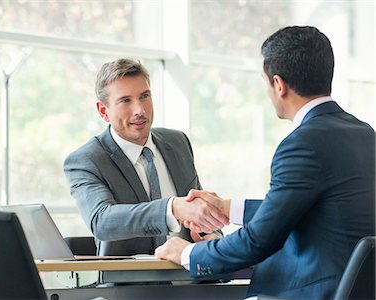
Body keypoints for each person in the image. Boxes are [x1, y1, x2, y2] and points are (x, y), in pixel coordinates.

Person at [155, 26, 375, 299]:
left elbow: (258, 242)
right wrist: (228, 209)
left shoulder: (302, 144)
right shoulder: (365, 134)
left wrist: (187, 252)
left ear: (279, 84)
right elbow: (308, 211)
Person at [64, 58, 226, 256]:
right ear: (103, 111)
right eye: (126, 101)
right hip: (131, 284)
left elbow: (202, 213)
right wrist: (171, 208)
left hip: (193, 276)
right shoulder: (87, 160)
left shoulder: (177, 142)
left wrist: (212, 236)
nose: (140, 110)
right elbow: (102, 221)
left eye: (144, 96)